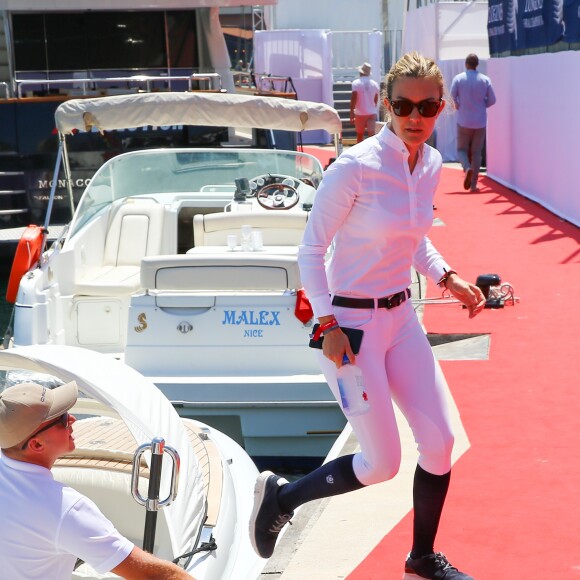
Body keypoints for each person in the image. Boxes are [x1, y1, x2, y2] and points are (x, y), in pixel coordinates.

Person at [249, 52, 486, 580]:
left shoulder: (427, 163)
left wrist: (449, 277)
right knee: (381, 465)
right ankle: (282, 498)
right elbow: (310, 252)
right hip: (350, 331)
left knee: (442, 444)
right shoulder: (356, 167)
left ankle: (422, 557)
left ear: (441, 107)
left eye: (426, 106)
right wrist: (328, 325)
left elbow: (414, 237)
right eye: (402, 104)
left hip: (402, 320)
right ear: (384, 103)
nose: (414, 115)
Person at [0, 380, 192, 579]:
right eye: (63, 419)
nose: (73, 419)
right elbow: (151, 575)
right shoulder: (65, 509)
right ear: (37, 444)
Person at [450, 53, 496, 192]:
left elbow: (452, 95)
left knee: (461, 149)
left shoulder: (459, 78)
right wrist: (482, 106)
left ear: (466, 64)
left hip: (464, 120)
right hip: (480, 121)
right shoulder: (485, 80)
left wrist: (458, 104)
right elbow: (492, 99)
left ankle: (467, 167)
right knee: (477, 152)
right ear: (477, 65)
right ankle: (474, 184)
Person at [349, 62, 380, 143]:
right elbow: (376, 99)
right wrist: (372, 106)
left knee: (360, 135)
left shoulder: (356, 83)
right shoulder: (375, 84)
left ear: (361, 72)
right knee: (372, 135)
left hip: (360, 112)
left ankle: (360, 154)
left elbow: (354, 98)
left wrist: (352, 111)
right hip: (371, 112)